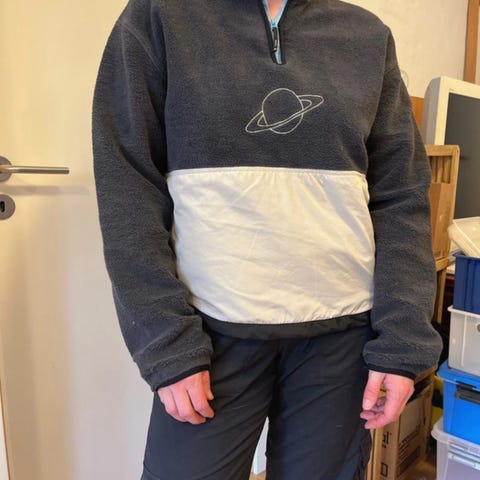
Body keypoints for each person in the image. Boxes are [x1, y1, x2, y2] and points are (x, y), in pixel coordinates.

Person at [92, 0, 443, 478]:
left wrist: (402, 342)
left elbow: (401, 195)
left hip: (341, 335)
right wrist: (163, 343)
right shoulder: (159, 16)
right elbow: (127, 185)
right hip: (210, 332)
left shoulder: (366, 36)